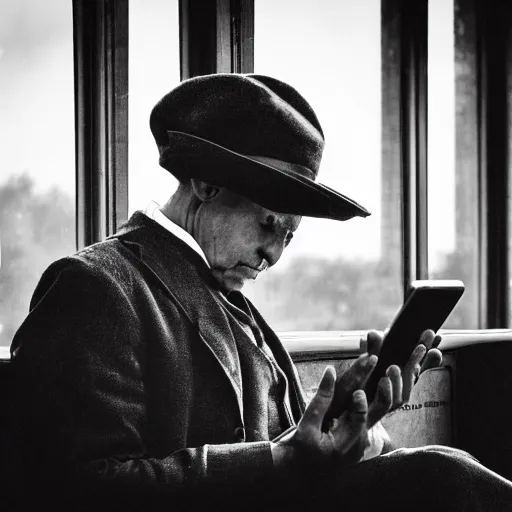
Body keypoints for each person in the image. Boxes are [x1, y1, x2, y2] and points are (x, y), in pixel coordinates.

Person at [7, 74, 512, 511]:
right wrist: (279, 460)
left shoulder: (236, 305)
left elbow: (295, 454)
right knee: (442, 479)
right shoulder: (94, 286)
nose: (274, 255)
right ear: (205, 184)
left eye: (288, 236)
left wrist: (353, 428)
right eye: (269, 225)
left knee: (442, 470)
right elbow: (77, 490)